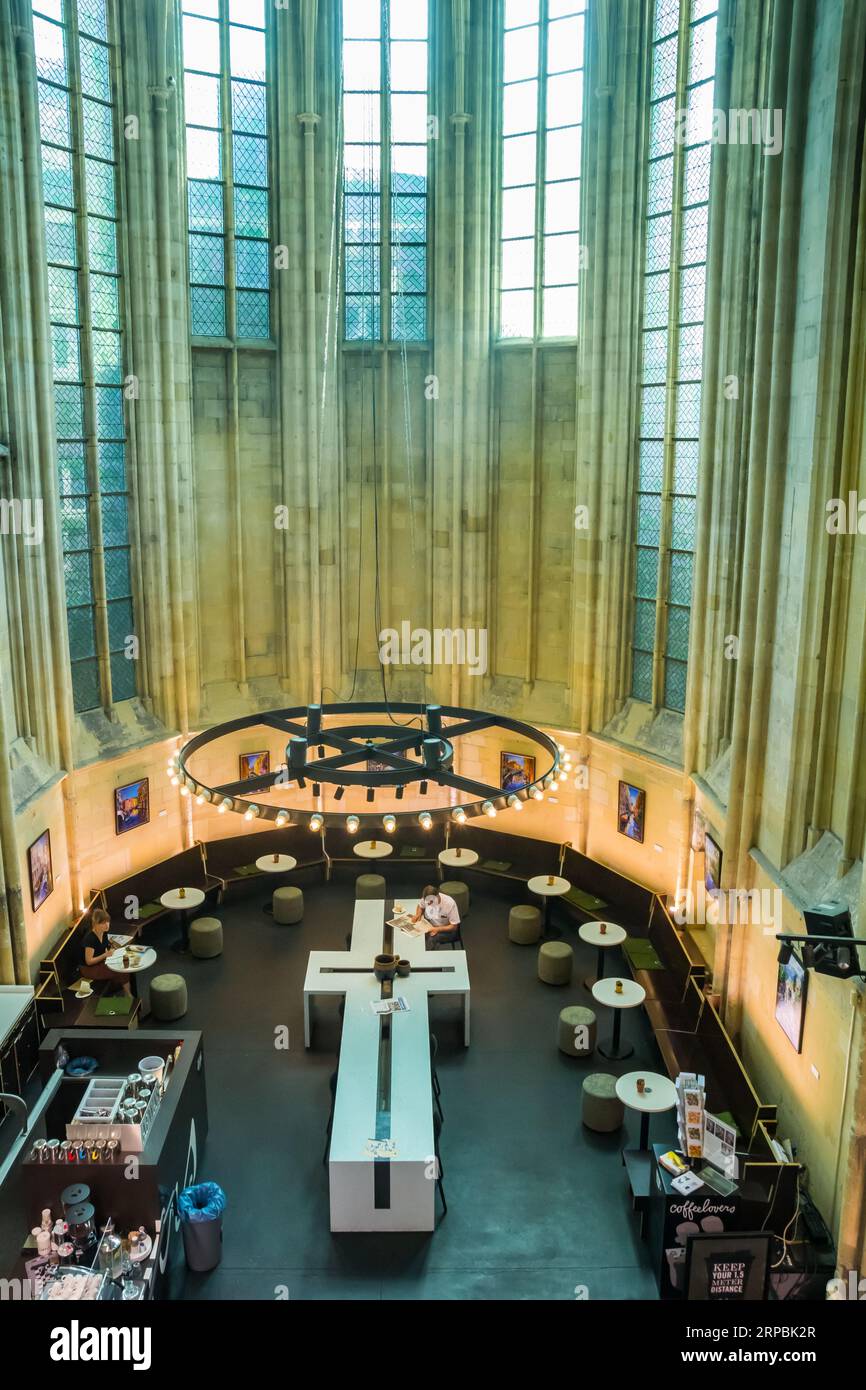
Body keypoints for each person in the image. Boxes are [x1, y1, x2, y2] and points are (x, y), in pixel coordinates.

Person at [80, 907, 131, 996]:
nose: (107, 925)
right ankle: (128, 995)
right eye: (103, 923)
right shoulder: (90, 939)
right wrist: (105, 955)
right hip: (89, 969)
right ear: (96, 924)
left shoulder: (104, 932)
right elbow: (89, 961)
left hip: (100, 962)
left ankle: (124, 993)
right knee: (120, 970)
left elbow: (106, 946)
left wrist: (112, 949)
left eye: (108, 922)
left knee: (124, 965)